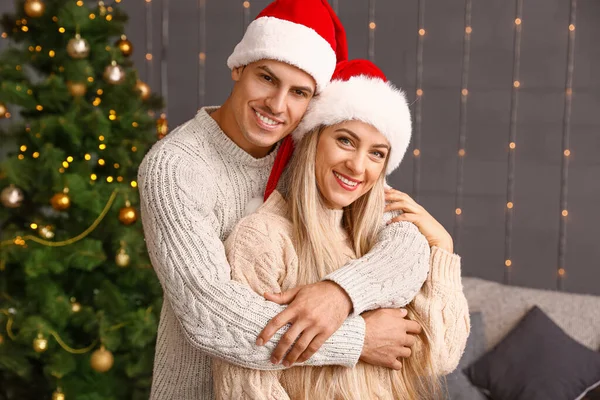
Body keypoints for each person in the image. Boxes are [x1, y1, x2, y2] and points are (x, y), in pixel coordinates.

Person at [138, 1, 442, 399]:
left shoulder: (305, 154)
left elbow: (402, 239)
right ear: (238, 67)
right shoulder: (174, 168)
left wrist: (341, 293)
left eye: (299, 92)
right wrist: (358, 338)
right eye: (267, 78)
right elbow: (210, 316)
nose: (277, 105)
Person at [212, 59, 470, 399]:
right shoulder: (262, 239)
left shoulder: (379, 244)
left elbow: (440, 356)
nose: (358, 166)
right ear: (311, 140)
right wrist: (361, 336)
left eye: (376, 153)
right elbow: (246, 387)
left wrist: (442, 248)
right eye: (346, 141)